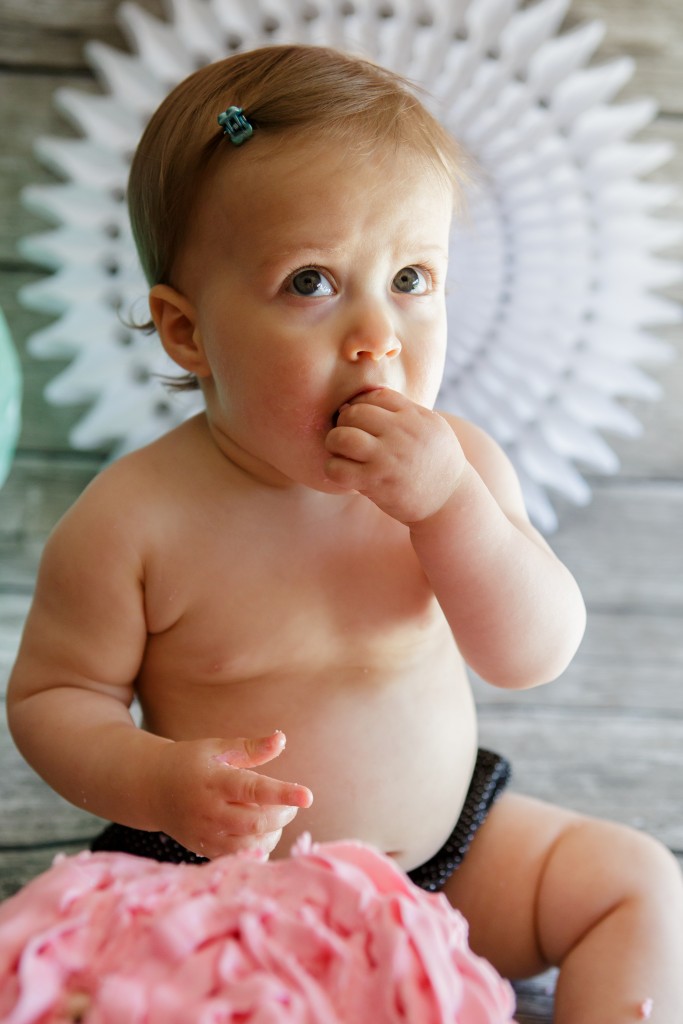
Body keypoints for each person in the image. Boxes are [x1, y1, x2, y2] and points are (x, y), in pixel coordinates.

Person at [7, 44, 682, 1022]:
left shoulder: (459, 468)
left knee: (634, 881)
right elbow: (53, 700)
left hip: (445, 863)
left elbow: (531, 652)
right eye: (311, 282)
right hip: (226, 888)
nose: (378, 336)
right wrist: (156, 781)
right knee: (101, 973)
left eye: (409, 276)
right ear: (187, 332)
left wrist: (448, 508)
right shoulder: (133, 520)